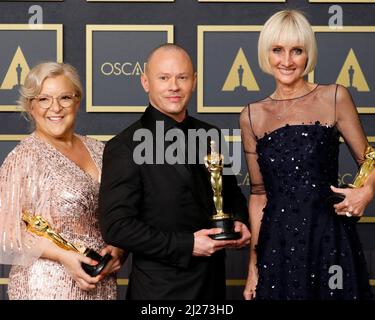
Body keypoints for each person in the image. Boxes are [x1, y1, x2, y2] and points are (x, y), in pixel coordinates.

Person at [99, 43, 251, 300]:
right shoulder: (124, 146)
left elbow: (230, 196)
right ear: (145, 82)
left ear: (194, 81)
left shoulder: (210, 135)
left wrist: (240, 221)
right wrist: (187, 245)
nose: (174, 86)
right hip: (159, 291)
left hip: (212, 287)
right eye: (164, 78)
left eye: (182, 77)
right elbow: (116, 227)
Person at [240, 10, 374, 300]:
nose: (286, 61)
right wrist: (253, 266)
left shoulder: (334, 97)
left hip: (329, 238)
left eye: (296, 51)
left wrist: (367, 192)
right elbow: (259, 193)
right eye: (278, 50)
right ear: (266, 52)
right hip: (278, 245)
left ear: (308, 53)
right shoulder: (251, 116)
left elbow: (370, 159)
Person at [0, 62, 124, 300]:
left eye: (64, 97)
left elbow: (123, 212)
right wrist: (63, 256)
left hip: (101, 281)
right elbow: (7, 232)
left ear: (77, 101)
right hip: (47, 284)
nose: (55, 107)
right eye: (44, 99)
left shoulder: (101, 151)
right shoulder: (23, 157)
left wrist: (118, 250)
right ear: (31, 106)